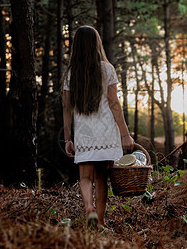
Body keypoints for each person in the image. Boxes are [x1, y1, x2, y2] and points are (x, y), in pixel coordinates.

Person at [62, 25, 134, 229]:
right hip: (106, 134)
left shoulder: (70, 74)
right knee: (102, 178)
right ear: (96, 44)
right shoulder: (107, 69)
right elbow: (114, 104)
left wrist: (68, 138)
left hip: (84, 135)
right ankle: (101, 222)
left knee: (85, 177)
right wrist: (125, 134)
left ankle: (89, 209)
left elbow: (67, 108)